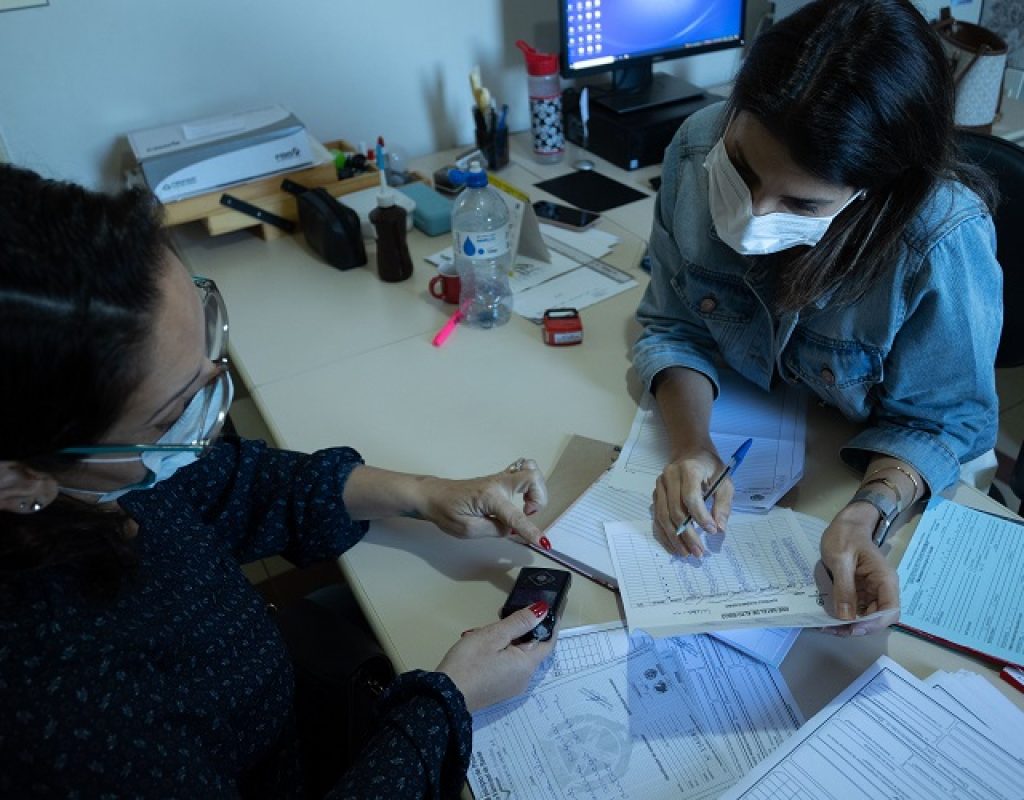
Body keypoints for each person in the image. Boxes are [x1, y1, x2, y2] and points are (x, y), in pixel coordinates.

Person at [0, 163, 558, 798]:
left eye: (209, 351)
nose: (207, 417)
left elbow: (230, 484)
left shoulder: (99, 476)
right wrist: (449, 700)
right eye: (169, 413)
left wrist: (427, 493)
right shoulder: (54, 715)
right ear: (20, 481)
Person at [632, 0, 1002, 635]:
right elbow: (674, 326)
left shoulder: (939, 240)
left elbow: (945, 423)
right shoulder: (696, 148)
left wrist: (868, 513)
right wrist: (693, 446)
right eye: (742, 169)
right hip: (771, 433)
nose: (751, 211)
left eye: (801, 202)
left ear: (877, 192)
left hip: (867, 473)